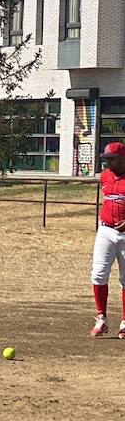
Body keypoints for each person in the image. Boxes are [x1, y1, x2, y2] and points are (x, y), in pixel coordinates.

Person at [91, 142, 125, 337]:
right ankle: (101, 318)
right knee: (98, 274)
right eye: (106, 159)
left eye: (112, 159)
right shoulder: (104, 177)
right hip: (105, 231)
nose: (108, 163)